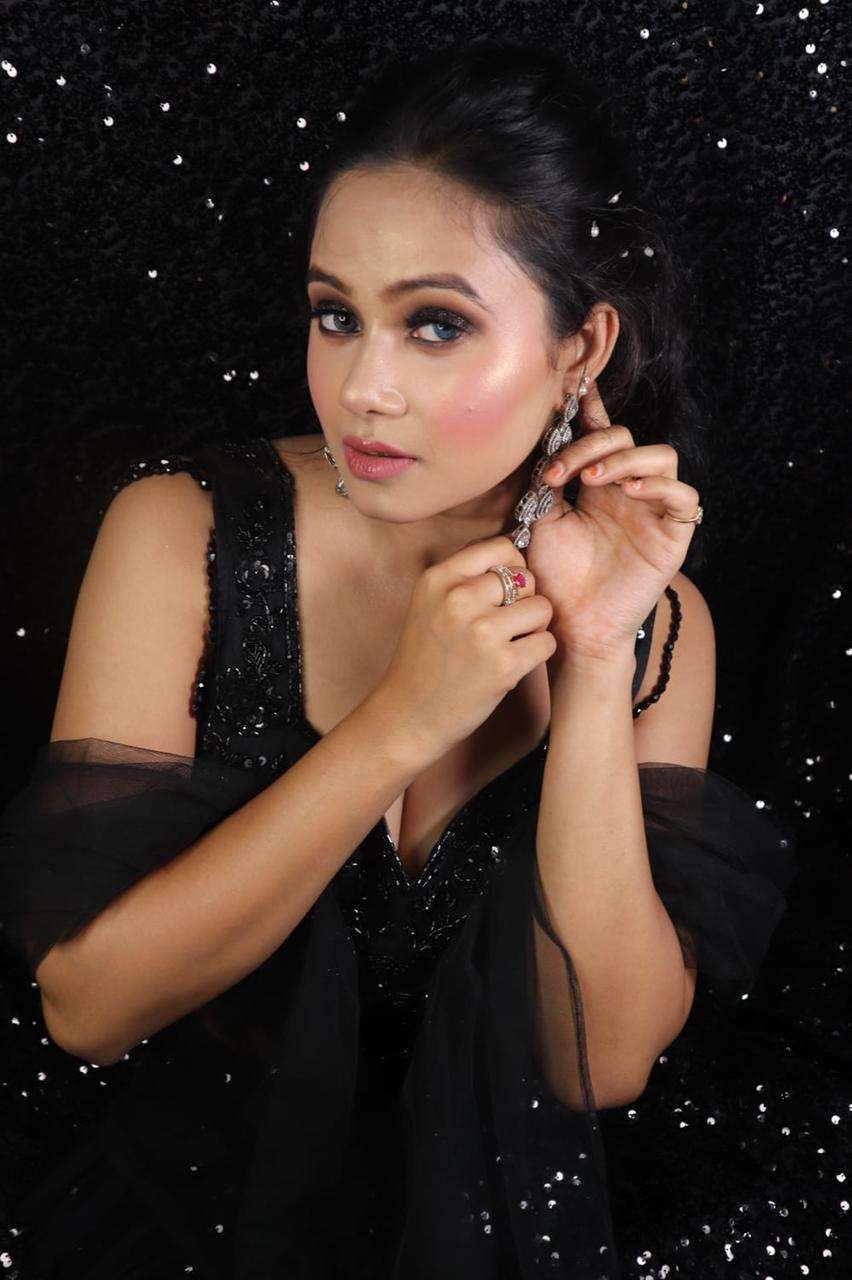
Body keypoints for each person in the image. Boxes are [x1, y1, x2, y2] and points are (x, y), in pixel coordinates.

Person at [0, 40, 797, 1279]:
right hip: (188, 1204)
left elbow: (600, 1062)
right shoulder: (182, 534)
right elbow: (88, 1007)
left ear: (581, 350)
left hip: (508, 1216)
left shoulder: (655, 616)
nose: (364, 388)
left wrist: (595, 655)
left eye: (435, 325)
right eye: (337, 316)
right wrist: (403, 721)